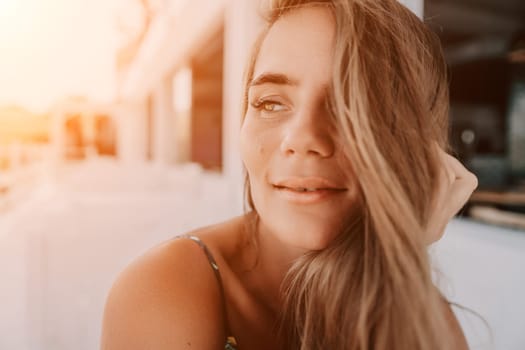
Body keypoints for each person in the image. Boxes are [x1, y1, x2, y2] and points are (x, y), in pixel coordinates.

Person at [100, 0, 478, 349]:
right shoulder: (167, 288)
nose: (301, 139)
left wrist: (399, 259)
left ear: (417, 142)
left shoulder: (418, 308)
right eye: (271, 103)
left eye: (349, 106)